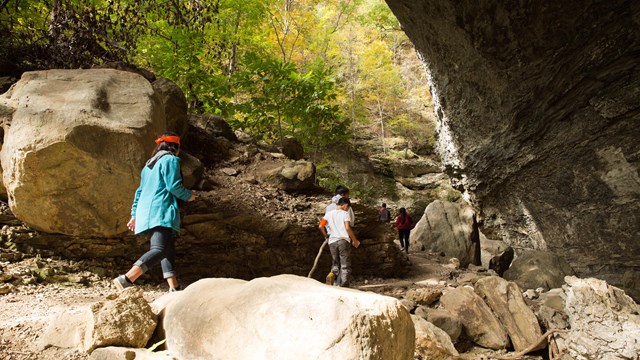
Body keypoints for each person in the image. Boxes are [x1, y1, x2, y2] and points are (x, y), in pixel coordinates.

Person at [113, 132, 196, 292]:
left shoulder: (148, 166)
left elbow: (140, 191)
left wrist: (134, 214)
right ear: (175, 148)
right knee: (158, 250)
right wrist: (189, 196)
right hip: (161, 210)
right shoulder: (171, 160)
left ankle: (174, 287)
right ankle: (127, 279)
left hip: (146, 212)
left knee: (167, 247)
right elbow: (173, 186)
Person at [319, 197, 360, 287]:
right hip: (343, 241)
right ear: (345, 205)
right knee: (345, 264)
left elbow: (320, 226)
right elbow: (347, 228)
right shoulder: (345, 214)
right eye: (348, 207)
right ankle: (344, 285)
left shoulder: (328, 214)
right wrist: (355, 240)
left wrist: (326, 235)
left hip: (332, 241)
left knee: (335, 263)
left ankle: (331, 276)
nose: (348, 209)